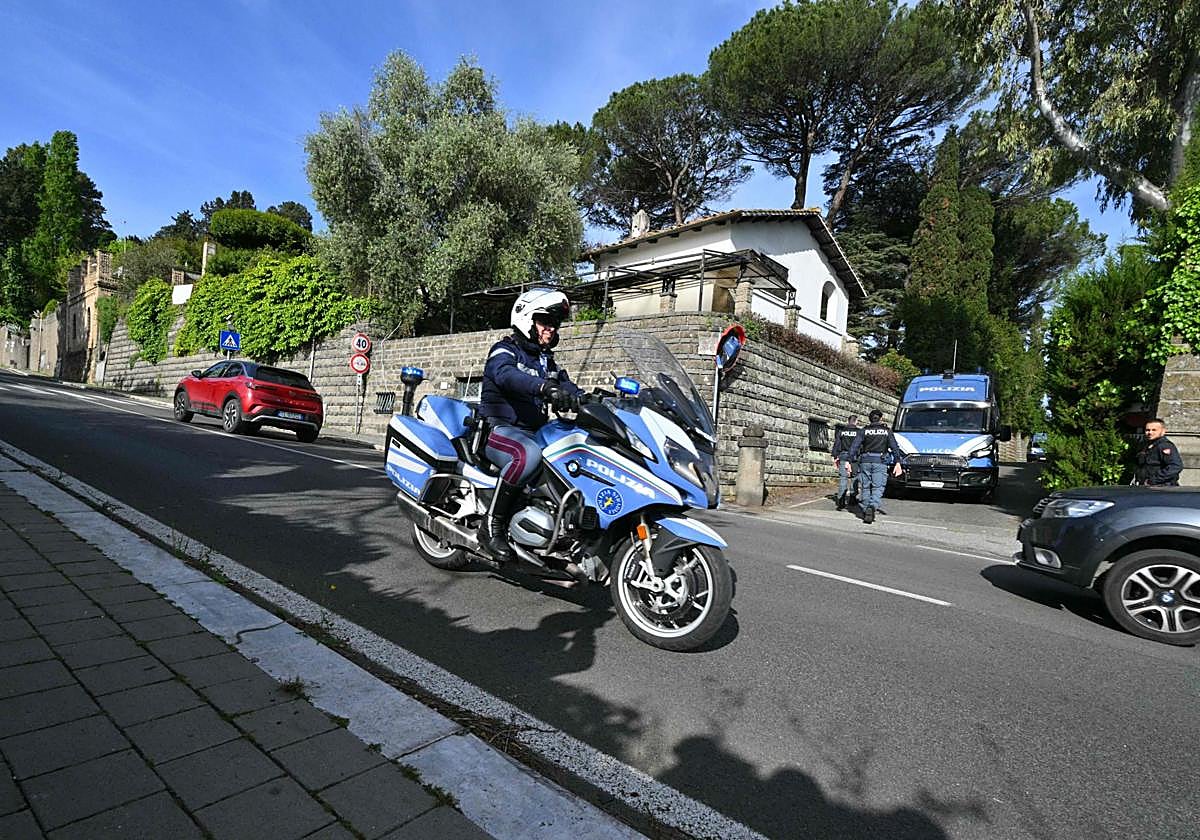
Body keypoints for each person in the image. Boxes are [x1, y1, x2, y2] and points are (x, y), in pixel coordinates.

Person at [477, 288, 583, 561]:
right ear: (527, 320)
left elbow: (568, 386)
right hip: (499, 430)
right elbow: (506, 376)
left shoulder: (546, 360)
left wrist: (595, 400)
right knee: (527, 454)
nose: (551, 329)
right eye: (545, 322)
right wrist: (543, 388)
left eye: (555, 324)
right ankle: (491, 526)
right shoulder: (504, 350)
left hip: (534, 431)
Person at [847, 409, 905, 525]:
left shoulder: (864, 430)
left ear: (870, 419)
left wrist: (848, 461)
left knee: (866, 487)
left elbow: (854, 446)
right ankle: (872, 506)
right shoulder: (886, 431)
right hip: (880, 461)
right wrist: (898, 462)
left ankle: (865, 509)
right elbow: (894, 447)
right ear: (881, 418)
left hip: (865, 461)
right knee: (878, 487)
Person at [1134, 418, 1184, 487]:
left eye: (1154, 430)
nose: (1150, 433)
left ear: (1163, 431)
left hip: (1162, 487)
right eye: (1147, 430)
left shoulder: (1165, 445)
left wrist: (1153, 480)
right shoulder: (1145, 445)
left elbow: (1175, 466)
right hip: (1146, 487)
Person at [831, 414, 861, 510]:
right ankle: (852, 498)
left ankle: (841, 500)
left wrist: (835, 456)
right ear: (856, 421)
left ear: (848, 421)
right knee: (854, 478)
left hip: (843, 456)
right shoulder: (859, 432)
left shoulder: (842, 431)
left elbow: (837, 444)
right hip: (855, 458)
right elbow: (861, 445)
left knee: (843, 478)